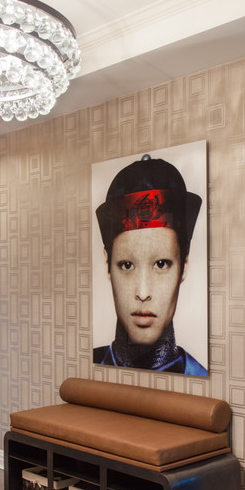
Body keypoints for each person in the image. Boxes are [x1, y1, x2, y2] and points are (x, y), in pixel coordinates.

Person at [93, 154, 206, 375]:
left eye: (161, 264)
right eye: (126, 265)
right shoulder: (88, 369)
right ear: (108, 264)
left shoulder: (199, 376)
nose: (143, 293)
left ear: (184, 263)